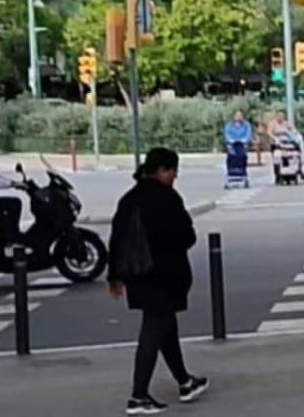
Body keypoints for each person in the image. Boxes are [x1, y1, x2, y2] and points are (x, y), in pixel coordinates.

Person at [108, 148, 209, 416]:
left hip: (138, 276)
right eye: (173, 171)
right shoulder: (166, 198)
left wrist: (114, 275)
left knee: (165, 328)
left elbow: (116, 238)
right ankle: (138, 395)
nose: (175, 177)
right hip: (165, 275)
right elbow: (186, 236)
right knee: (153, 332)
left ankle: (185, 381)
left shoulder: (129, 199)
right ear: (163, 170)